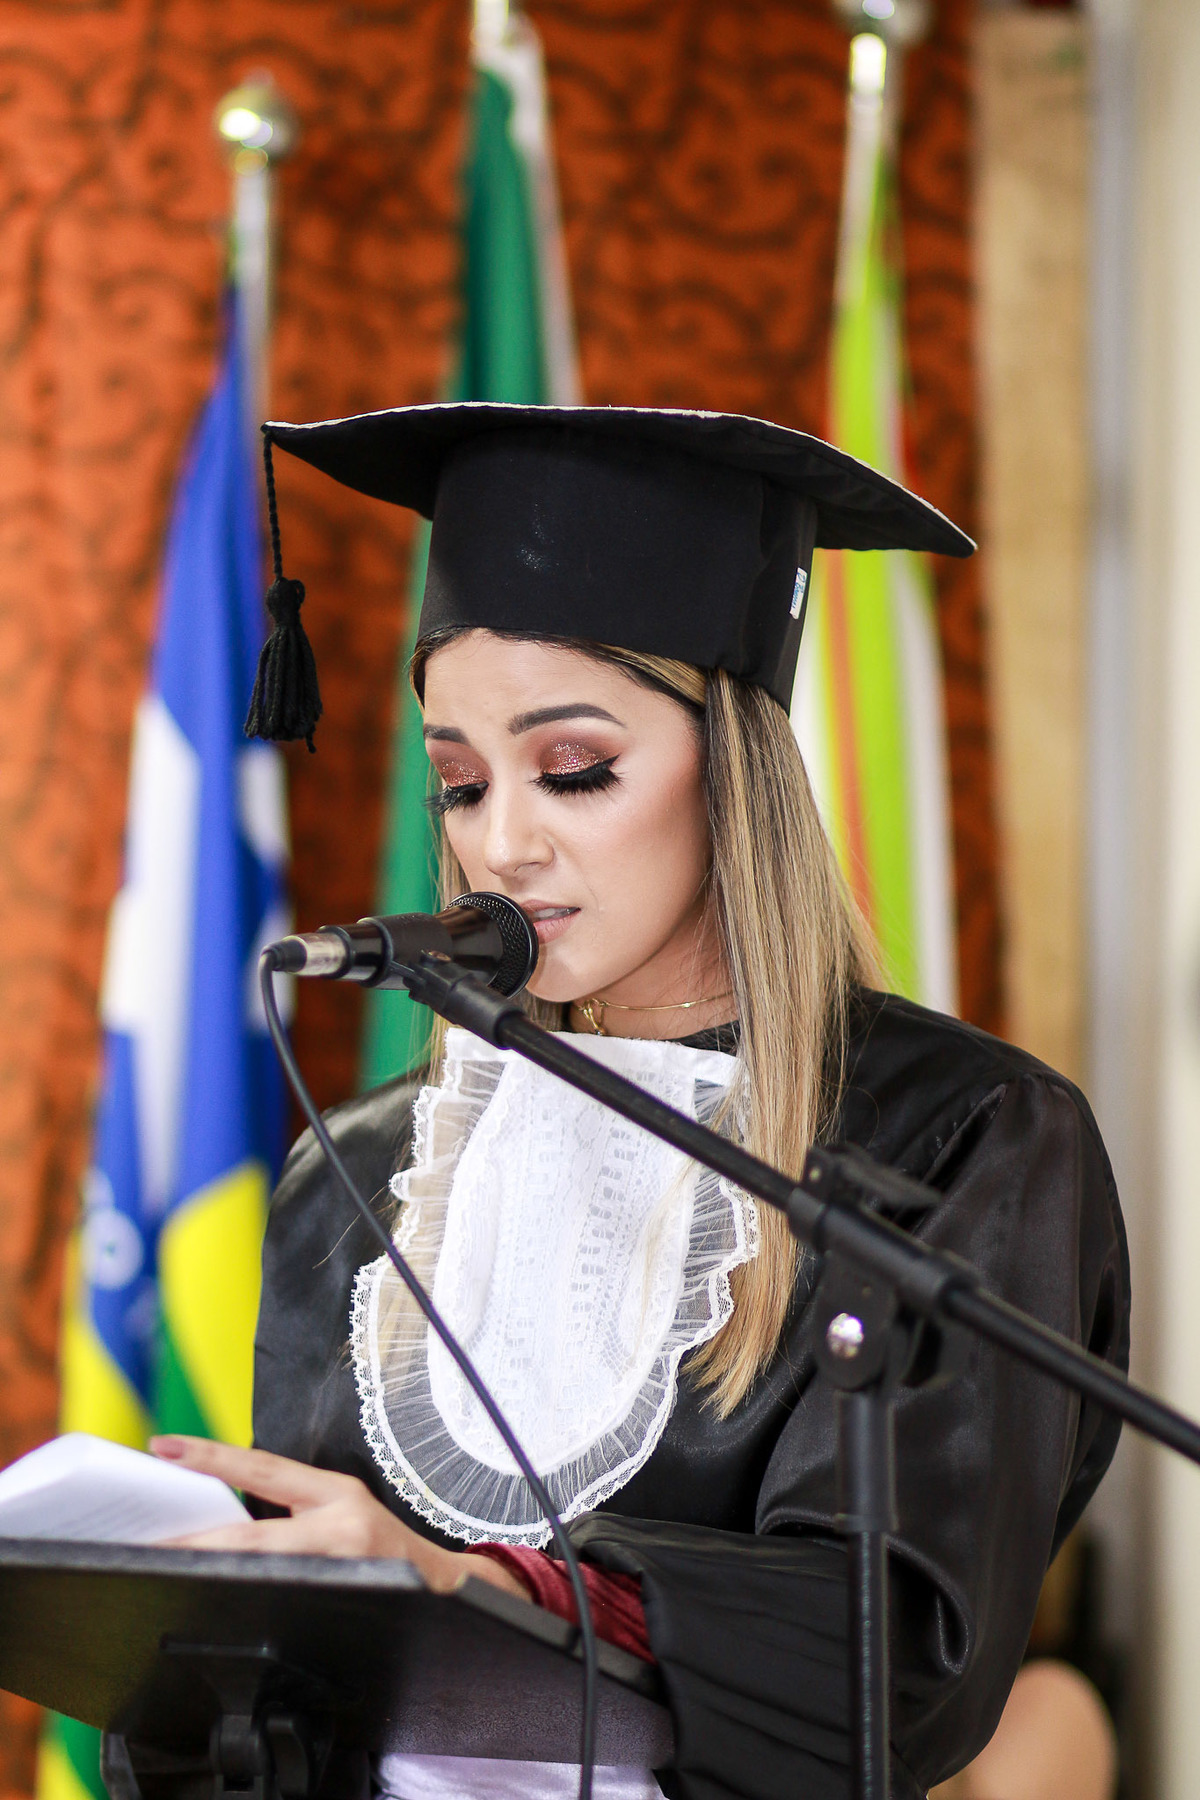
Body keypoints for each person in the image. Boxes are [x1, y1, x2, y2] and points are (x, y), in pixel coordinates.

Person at [153, 405, 1129, 1800]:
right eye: (458, 783)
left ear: (733, 765)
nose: (500, 843)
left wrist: (481, 1588)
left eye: (575, 770)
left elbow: (899, 1661)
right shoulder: (359, 1172)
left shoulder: (967, 1138)